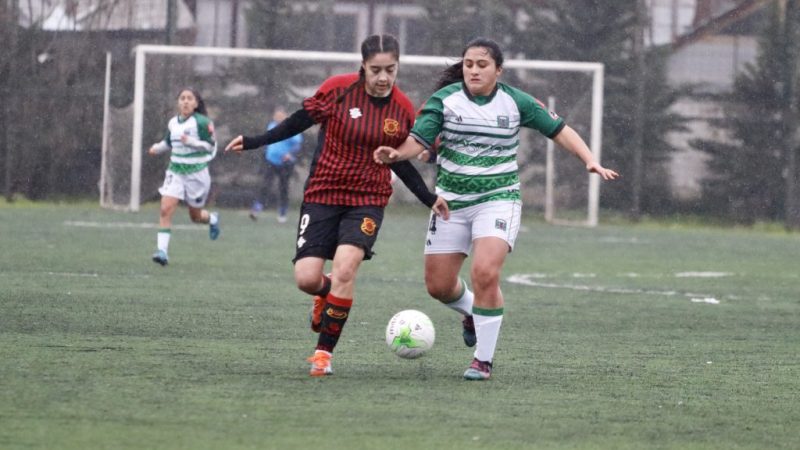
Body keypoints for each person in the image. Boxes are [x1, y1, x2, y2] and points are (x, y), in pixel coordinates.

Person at [374, 37, 619, 381]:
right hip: (451, 203)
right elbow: (419, 141)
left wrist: (590, 159)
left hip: (498, 199)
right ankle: (471, 311)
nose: (473, 70)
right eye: (468, 64)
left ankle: (482, 361)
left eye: (482, 65)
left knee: (486, 271)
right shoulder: (444, 101)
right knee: (438, 286)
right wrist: (397, 154)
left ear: (498, 70)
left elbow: (560, 130)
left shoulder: (516, 102)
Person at [225, 34, 449, 377]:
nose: (383, 77)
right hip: (323, 193)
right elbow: (299, 121)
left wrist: (428, 198)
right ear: (363, 66)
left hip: (367, 200)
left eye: (390, 69)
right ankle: (324, 294)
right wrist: (256, 141)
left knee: (346, 269)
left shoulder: (402, 108)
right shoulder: (338, 90)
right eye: (376, 69)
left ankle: (323, 354)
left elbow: (399, 161)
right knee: (306, 278)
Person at [148, 88, 220, 266]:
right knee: (165, 209)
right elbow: (168, 143)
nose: (186, 101)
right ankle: (162, 252)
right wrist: (156, 148)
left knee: (195, 216)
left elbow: (211, 146)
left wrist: (191, 142)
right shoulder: (173, 122)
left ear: (196, 103)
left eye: (189, 98)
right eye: (182, 98)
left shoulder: (202, 122)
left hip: (197, 174)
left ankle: (212, 219)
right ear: (178, 102)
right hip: (175, 172)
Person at [249, 106, 303, 223]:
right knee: (265, 185)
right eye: (276, 115)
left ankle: (282, 212)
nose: (278, 118)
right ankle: (257, 208)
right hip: (271, 161)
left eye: (280, 116)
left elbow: (297, 145)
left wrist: (289, 154)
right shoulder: (271, 126)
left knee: (283, 187)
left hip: (285, 163)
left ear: (285, 116)